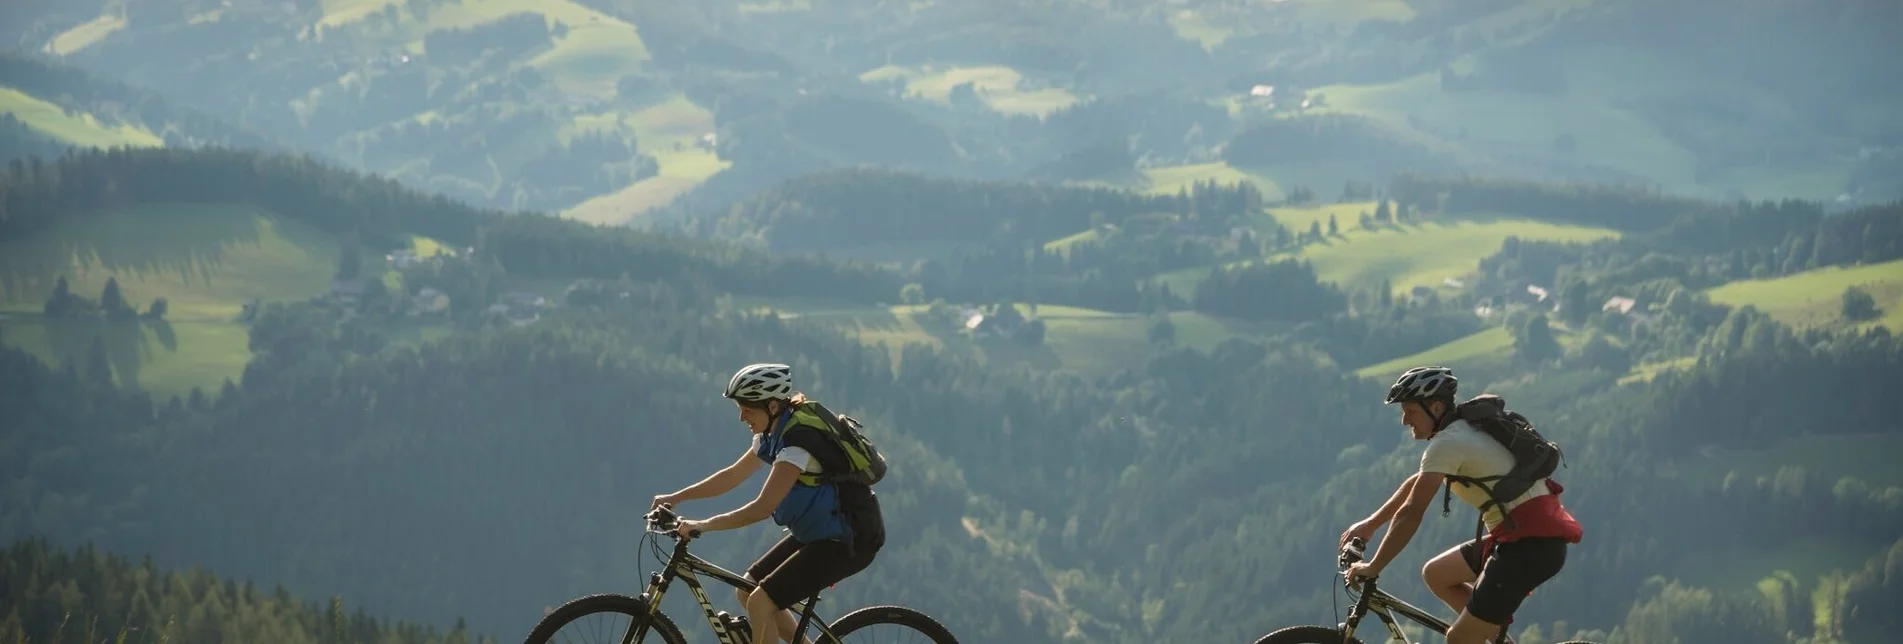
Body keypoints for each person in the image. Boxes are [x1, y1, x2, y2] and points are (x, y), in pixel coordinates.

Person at [1338, 366, 1583, 644]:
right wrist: (1370, 525)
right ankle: (1492, 636)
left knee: (1459, 640)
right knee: (1437, 574)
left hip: (1528, 548)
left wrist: (1373, 567)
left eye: (1411, 411)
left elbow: (1411, 514)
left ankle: (1479, 632)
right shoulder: (1464, 431)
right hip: (1524, 538)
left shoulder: (1449, 442)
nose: (1405, 420)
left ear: (1437, 407)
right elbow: (1417, 484)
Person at [650, 363, 885, 644]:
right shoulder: (772, 435)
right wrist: (676, 498)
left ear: (772, 406)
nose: (741, 417)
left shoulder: (796, 446)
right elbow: (732, 476)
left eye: (747, 409)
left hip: (850, 538)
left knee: (761, 603)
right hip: (819, 531)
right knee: (747, 589)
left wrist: (702, 525)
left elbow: (760, 509)